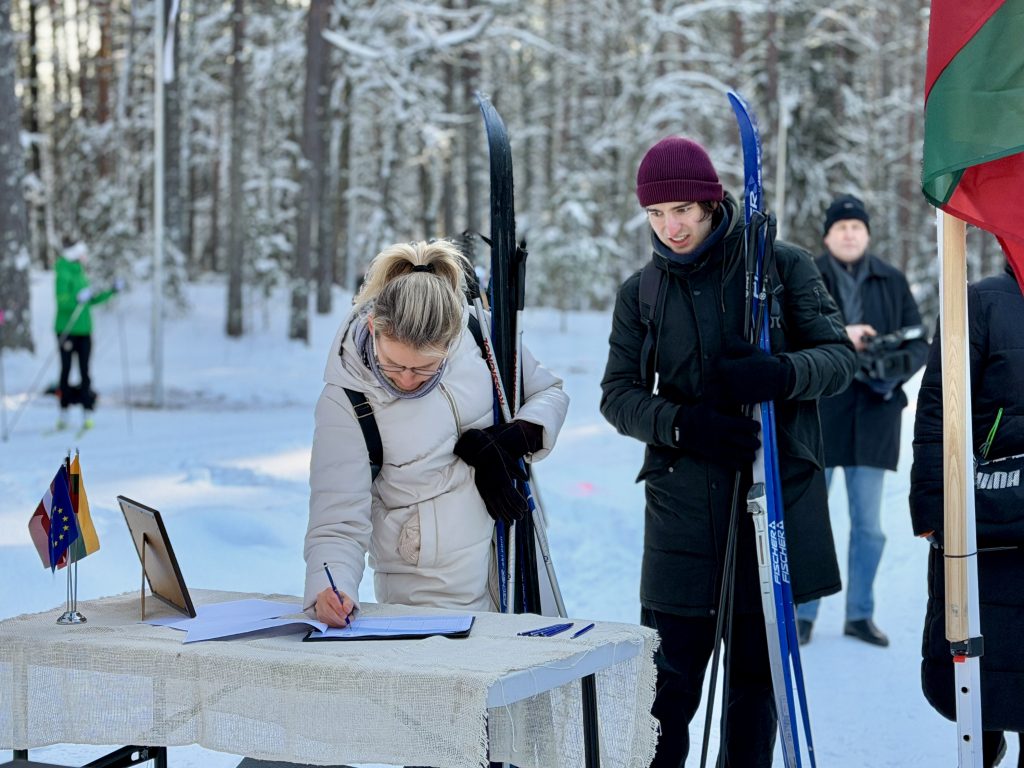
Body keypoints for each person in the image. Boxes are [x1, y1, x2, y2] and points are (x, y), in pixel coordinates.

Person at [600, 136, 856, 767]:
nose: (671, 227)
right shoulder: (643, 292)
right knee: (666, 692)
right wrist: (686, 424)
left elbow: (840, 360)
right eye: (657, 215)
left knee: (753, 690)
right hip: (681, 514)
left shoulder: (782, 265)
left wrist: (779, 374)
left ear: (712, 202)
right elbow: (618, 396)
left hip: (768, 502)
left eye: (683, 210)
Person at [303, 239, 569, 625]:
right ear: (372, 327)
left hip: (507, 550)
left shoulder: (481, 336)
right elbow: (337, 519)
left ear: (452, 339)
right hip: (423, 583)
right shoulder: (346, 399)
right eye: (394, 365)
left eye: (426, 368)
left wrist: (509, 440)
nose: (407, 379)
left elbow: (548, 393)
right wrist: (331, 587)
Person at [795, 194, 929, 648]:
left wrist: (888, 371)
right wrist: (841, 339)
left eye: (857, 226)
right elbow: (788, 339)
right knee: (813, 520)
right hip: (818, 417)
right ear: (827, 235)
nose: (849, 233)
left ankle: (859, 614)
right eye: (841, 226)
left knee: (869, 526)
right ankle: (804, 613)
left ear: (868, 233)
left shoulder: (891, 279)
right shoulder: (805, 276)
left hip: (874, 416)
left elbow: (919, 344)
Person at [909, 262, 1024, 768]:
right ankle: (987, 741)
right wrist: (934, 506)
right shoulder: (979, 301)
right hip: (989, 519)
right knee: (986, 670)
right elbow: (937, 406)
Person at [54, 238, 119, 431]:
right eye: (81, 254)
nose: (84, 257)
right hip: (66, 330)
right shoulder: (63, 272)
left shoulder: (81, 272)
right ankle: (64, 413)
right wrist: (76, 299)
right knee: (66, 371)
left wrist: (111, 292)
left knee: (85, 371)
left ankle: (87, 412)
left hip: (84, 330)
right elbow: (63, 302)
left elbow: (89, 301)